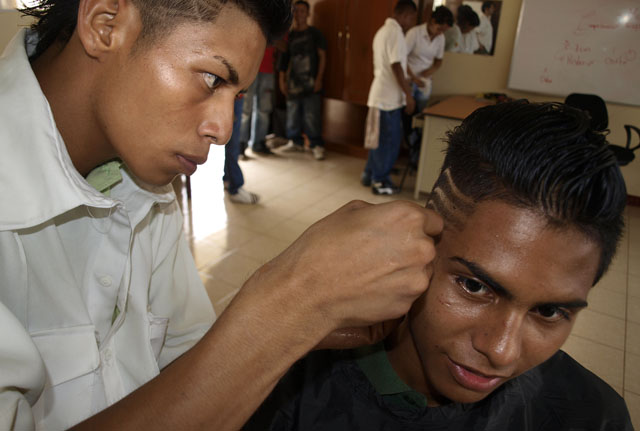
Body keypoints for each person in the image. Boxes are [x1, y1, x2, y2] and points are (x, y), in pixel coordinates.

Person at [0, 0, 443, 429]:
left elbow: (183, 351)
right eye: (212, 80)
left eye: (238, 94)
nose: (224, 129)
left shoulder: (143, 179)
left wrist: (293, 327)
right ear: (105, 24)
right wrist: (289, 301)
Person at [244, 100, 634, 430]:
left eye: (549, 311)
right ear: (420, 243)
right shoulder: (282, 378)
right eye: (475, 287)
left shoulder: (593, 417)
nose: (501, 351)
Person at [361, 0, 417, 196]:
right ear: (404, 15)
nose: (411, 22)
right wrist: (408, 95)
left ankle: (369, 174)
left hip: (380, 95)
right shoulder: (395, 33)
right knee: (389, 142)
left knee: (378, 140)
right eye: (411, 17)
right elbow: (396, 66)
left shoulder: (382, 31)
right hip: (388, 99)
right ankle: (380, 180)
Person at [278, 0, 327, 160]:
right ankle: (295, 141)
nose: (299, 14)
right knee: (293, 114)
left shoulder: (315, 33)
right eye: (296, 11)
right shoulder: (290, 36)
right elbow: (284, 60)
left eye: (302, 11)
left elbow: (322, 56)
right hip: (293, 83)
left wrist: (319, 78)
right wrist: (282, 80)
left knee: (311, 115)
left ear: (308, 14)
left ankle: (316, 144)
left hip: (311, 82)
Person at [406, 5, 453, 113]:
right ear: (432, 21)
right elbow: (401, 59)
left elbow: (438, 61)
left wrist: (429, 72)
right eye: (439, 29)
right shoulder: (414, 33)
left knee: (420, 111)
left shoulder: (441, 38)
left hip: (424, 81)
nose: (440, 33)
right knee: (407, 111)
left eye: (443, 31)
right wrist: (414, 78)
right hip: (408, 78)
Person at [240, 44, 281, 156]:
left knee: (264, 110)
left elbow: (283, 46)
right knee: (245, 110)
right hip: (250, 67)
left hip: (268, 69)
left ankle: (259, 143)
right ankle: (240, 145)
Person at [225, 96, 260, 203]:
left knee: (231, 144)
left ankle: (228, 180)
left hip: (235, 96)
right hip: (233, 96)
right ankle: (235, 188)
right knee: (233, 144)